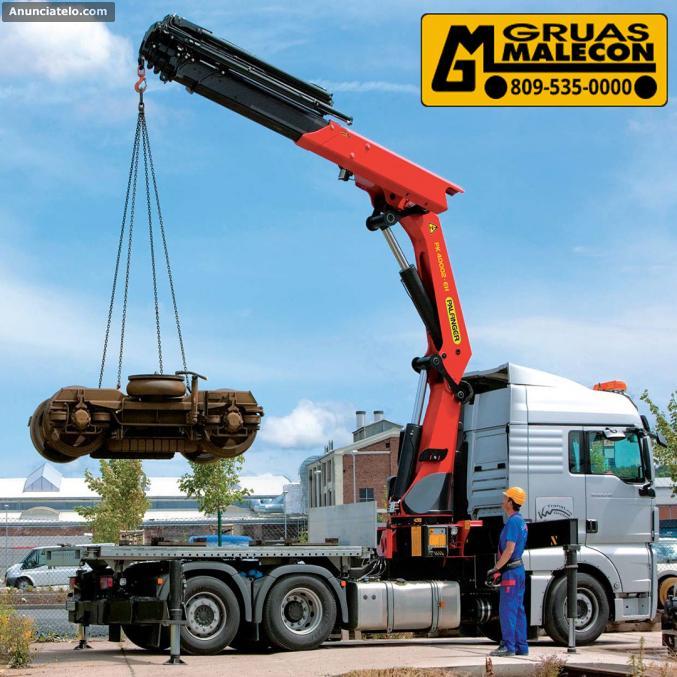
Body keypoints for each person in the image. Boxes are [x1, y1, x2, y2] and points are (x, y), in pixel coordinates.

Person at [488, 486, 528, 657]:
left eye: (505, 498)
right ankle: (521, 646)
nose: (503, 501)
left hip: (511, 572)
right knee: (518, 609)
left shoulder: (512, 522)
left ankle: (508, 646)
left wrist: (496, 568)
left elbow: (509, 549)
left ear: (511, 502)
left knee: (508, 610)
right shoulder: (521, 522)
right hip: (518, 570)